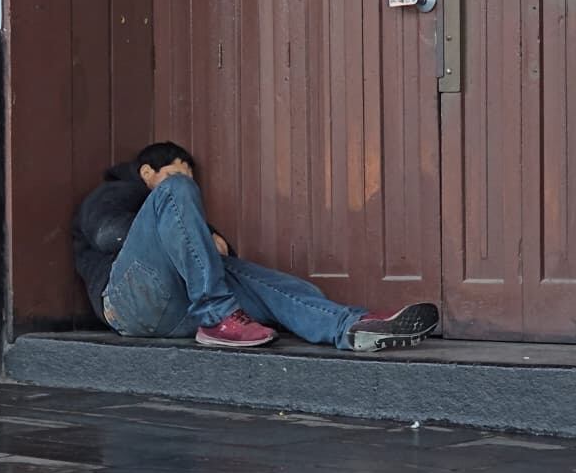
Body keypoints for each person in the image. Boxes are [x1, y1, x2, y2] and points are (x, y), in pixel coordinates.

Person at [72, 142, 440, 351]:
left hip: (181, 313)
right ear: (146, 173)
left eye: (187, 176)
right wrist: (182, 204)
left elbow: (220, 257)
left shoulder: (177, 212)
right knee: (178, 195)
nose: (184, 182)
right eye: (174, 171)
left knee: (285, 288)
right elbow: (108, 235)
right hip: (128, 303)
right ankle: (218, 317)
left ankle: (350, 326)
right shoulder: (114, 194)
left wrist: (209, 241)